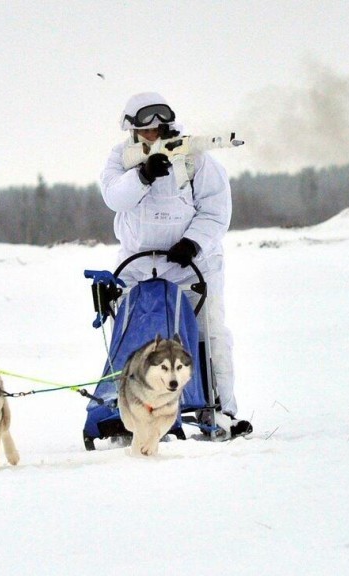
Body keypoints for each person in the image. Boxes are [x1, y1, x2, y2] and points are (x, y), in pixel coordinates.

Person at [99, 92, 251, 438]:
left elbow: (216, 210)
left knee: (207, 335)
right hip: (138, 267)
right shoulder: (120, 159)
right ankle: (130, 411)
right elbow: (114, 198)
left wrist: (193, 242)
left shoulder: (196, 157)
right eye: (146, 130)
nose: (153, 134)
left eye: (159, 128)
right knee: (136, 340)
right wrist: (143, 175)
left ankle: (220, 408)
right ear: (134, 131)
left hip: (191, 265)